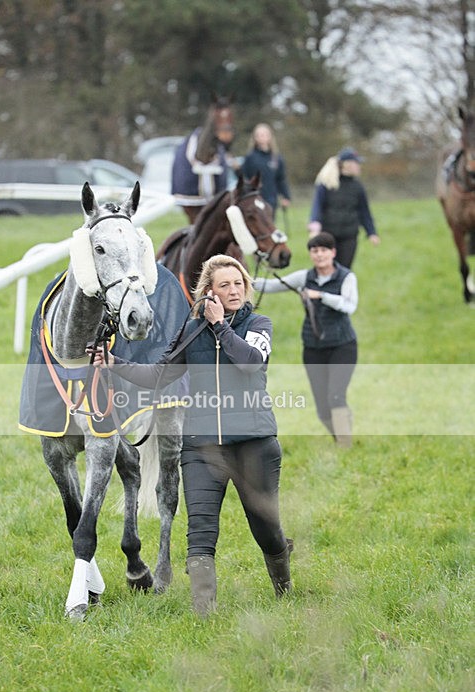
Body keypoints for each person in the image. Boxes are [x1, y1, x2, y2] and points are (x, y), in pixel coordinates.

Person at [91, 255, 292, 615]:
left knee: (266, 529)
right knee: (199, 531)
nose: (233, 291)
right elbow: (157, 376)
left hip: (254, 444)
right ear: (208, 293)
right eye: (224, 285)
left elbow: (249, 362)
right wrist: (113, 363)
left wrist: (221, 328)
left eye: (238, 284)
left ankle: (284, 587)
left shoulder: (259, 324)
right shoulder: (192, 331)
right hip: (201, 448)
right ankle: (204, 613)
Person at [254, 232, 358, 447]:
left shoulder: (346, 277)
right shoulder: (305, 277)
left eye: (323, 250)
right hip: (313, 347)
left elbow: (349, 305)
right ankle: (340, 435)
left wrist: (321, 296)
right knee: (322, 407)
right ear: (311, 254)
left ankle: (345, 446)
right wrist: (239, 279)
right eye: (315, 251)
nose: (319, 255)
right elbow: (272, 286)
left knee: (336, 395)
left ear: (333, 253)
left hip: (342, 345)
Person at [308, 147, 380, 269]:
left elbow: (364, 211)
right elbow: (317, 206)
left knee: (344, 270)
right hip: (329, 235)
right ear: (347, 164)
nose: (359, 166)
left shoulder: (357, 187)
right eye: (357, 163)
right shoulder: (327, 184)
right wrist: (315, 227)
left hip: (349, 236)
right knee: (327, 268)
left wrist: (371, 232)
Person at [242, 123, 291, 215]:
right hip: (254, 198)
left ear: (270, 136)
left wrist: (286, 196)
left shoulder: (276, 158)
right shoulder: (250, 157)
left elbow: (281, 179)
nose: (262, 137)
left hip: (271, 199)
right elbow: (245, 177)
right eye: (259, 135)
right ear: (255, 138)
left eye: (264, 134)